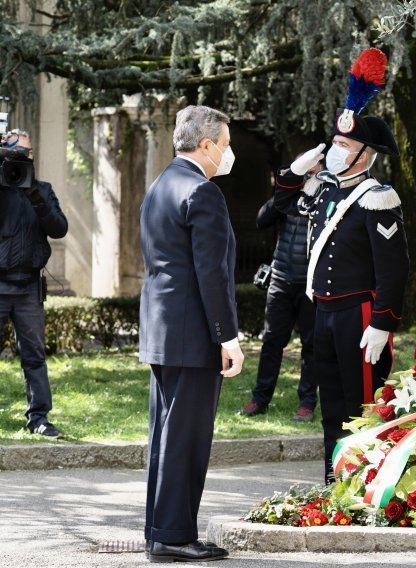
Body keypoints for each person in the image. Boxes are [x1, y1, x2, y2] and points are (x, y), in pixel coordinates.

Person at [274, 48, 409, 483]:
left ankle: (366, 484)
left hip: (360, 317)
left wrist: (383, 324)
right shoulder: (325, 189)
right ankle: (336, 483)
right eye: (334, 142)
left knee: (363, 406)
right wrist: (293, 173)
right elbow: (278, 205)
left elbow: (394, 269)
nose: (334, 151)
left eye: (343, 145)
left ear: (365, 155)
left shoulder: (377, 198)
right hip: (323, 313)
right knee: (330, 405)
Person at [139, 105, 243, 563]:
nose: (227, 152)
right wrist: (229, 336)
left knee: (166, 436)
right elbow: (211, 274)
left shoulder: (161, 184)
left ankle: (162, 530)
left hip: (163, 330)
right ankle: (174, 537)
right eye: (224, 144)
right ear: (205, 145)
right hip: (194, 334)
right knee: (187, 438)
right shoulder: (203, 192)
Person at [0, 129, 68, 439]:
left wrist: (35, 196)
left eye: (28, 153)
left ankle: (39, 418)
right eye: (17, 152)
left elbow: (59, 229)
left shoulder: (42, 189)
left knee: (34, 357)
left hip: (28, 288)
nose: (25, 157)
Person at [241, 161, 320, 421]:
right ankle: (260, 399)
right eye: (305, 169)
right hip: (281, 279)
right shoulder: (286, 197)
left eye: (314, 168)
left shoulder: (328, 196)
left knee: (311, 345)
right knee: (272, 341)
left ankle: (307, 403)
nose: (310, 173)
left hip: (311, 285)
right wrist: (283, 190)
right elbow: (262, 220)